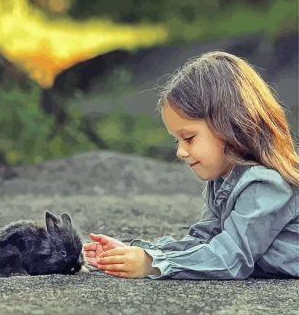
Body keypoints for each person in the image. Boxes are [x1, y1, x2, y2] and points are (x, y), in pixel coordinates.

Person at [83, 51, 299, 280]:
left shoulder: (266, 186)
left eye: (189, 138)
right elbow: (202, 242)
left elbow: (230, 258)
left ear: (230, 125)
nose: (180, 151)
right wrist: (138, 254)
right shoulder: (223, 181)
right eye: (177, 140)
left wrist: (153, 264)